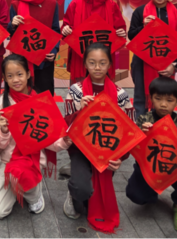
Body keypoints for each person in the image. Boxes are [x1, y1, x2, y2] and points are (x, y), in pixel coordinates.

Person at [0, 55, 69, 219]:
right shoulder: (0, 104)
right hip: (7, 161)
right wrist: (3, 130)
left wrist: (65, 141)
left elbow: (51, 141)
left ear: (28, 74)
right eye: (10, 76)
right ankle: (13, 185)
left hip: (32, 160)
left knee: (21, 174)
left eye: (19, 74)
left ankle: (34, 195)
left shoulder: (41, 102)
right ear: (4, 78)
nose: (15, 80)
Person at [63, 43, 134, 233]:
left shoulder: (121, 95)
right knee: (82, 191)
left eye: (102, 63)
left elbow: (130, 131)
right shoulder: (76, 91)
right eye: (92, 62)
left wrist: (121, 157)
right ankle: (73, 192)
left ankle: (78, 178)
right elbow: (66, 128)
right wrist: (79, 112)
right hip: (80, 150)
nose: (97, 67)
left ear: (109, 64)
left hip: (107, 151)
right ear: (85, 64)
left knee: (94, 191)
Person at [125, 76, 177, 233]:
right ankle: (151, 191)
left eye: (169, 100)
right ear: (151, 99)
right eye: (158, 99)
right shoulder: (144, 119)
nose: (163, 104)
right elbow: (133, 147)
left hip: (173, 165)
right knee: (136, 196)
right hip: (149, 165)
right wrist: (141, 133)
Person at [128, 0, 177, 116]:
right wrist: (143, 26)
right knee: (141, 97)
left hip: (167, 64)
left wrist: (174, 65)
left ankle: (160, 126)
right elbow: (131, 36)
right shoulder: (140, 12)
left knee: (163, 97)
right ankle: (141, 124)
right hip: (142, 63)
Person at [62, 0, 126, 84]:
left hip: (104, 58)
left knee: (104, 93)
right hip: (80, 58)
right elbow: (66, 26)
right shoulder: (75, 4)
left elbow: (120, 29)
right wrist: (65, 30)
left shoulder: (112, 5)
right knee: (80, 92)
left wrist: (121, 33)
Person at [8, 0, 60, 95]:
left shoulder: (52, 3)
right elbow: (12, 35)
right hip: (22, 61)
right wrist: (12, 25)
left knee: (44, 97)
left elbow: (55, 30)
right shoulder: (16, 4)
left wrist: (54, 51)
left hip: (44, 60)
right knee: (22, 97)